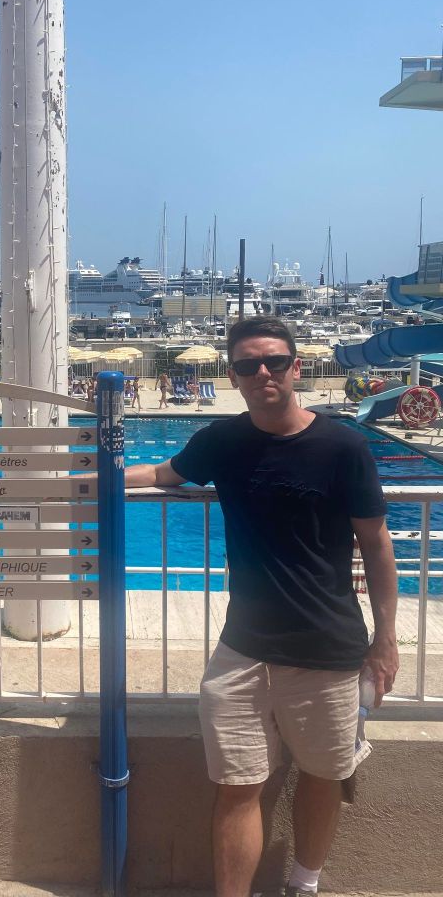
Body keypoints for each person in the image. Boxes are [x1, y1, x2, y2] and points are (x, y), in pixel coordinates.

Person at [124, 317, 399, 897]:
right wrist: (92, 478)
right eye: (248, 365)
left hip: (328, 649)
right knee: (236, 785)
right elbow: (164, 473)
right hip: (242, 650)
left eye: (274, 361)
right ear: (234, 376)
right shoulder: (222, 441)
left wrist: (386, 640)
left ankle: (304, 884)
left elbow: (376, 545)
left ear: (296, 367)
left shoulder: (343, 446)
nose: (263, 373)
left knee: (324, 776)